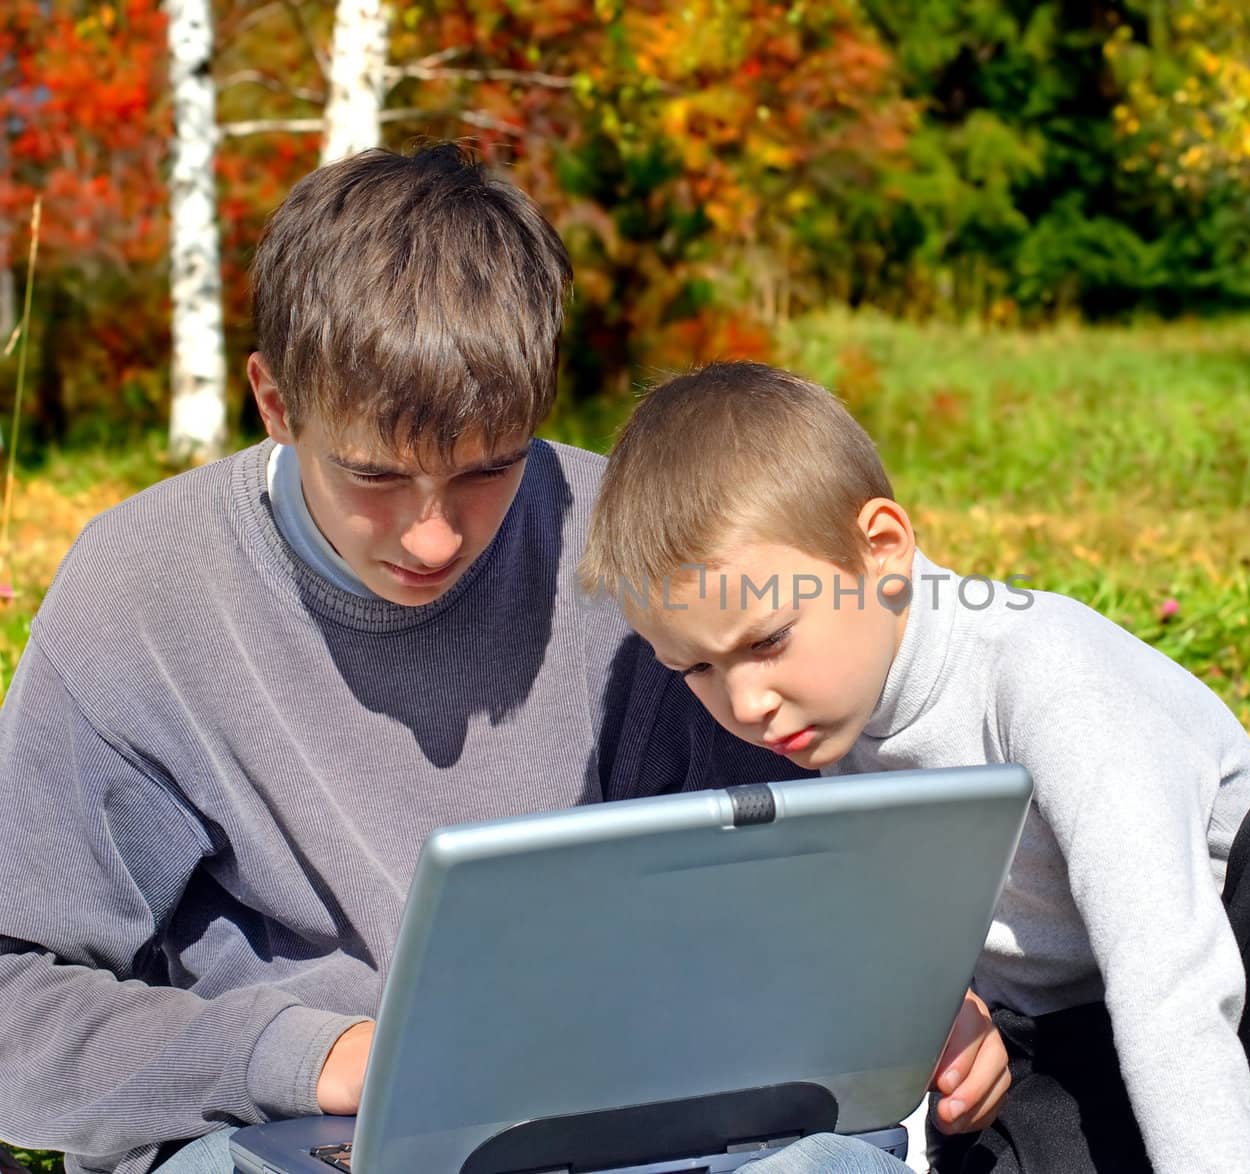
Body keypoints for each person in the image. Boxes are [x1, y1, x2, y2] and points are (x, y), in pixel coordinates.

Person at [0, 147, 1004, 1174]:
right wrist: (317, 1057)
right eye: (374, 475)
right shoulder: (141, 593)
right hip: (295, 1137)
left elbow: (784, 883)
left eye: (489, 467)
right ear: (274, 402)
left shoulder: (631, 553)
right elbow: (13, 1008)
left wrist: (898, 988)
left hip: (635, 1122)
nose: (432, 537)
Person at [578, 360, 1250, 1174]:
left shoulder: (1045, 675)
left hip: (1243, 1011)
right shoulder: (807, 718)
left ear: (882, 552)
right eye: (695, 668)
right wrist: (936, 1010)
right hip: (1059, 1053)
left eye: (767, 640)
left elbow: (1168, 975)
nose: (744, 703)